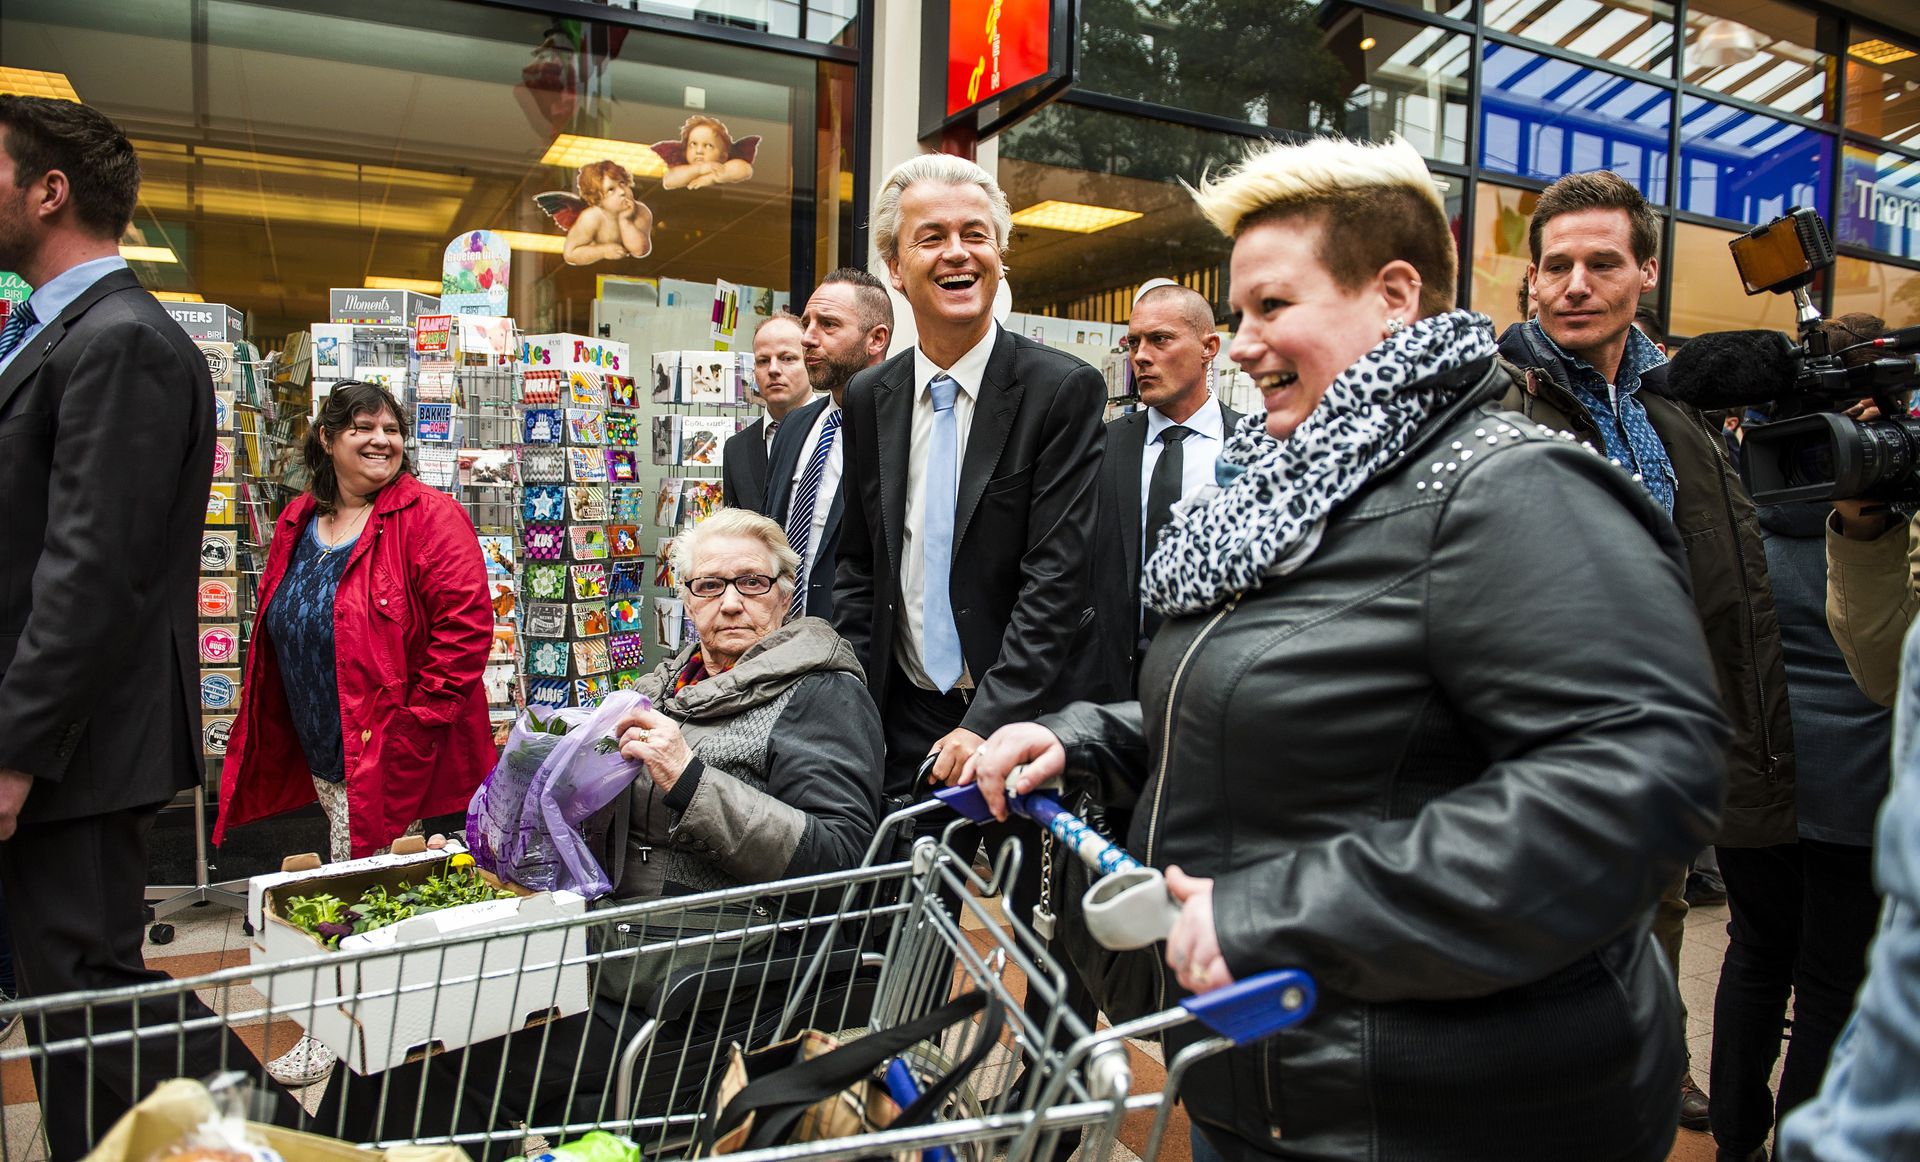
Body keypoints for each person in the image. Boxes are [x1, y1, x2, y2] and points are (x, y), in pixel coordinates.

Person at [964, 135, 1727, 1162]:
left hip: (1446, 1116)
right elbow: (1291, 701)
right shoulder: (1303, 484)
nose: (1240, 345)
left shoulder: (1512, 488)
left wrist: (1281, 912)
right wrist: (1090, 737)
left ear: (1396, 295)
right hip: (1274, 1081)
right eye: (1238, 315)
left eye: (1271, 308)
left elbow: (1634, 781)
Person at [306, 509, 881, 1155]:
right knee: (396, 1026)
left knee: (429, 1056)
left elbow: (842, 863)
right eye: (708, 585)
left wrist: (687, 776)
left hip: (706, 980)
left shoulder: (820, 692)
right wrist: (512, 823)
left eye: (750, 583)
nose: (730, 603)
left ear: (784, 592)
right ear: (684, 599)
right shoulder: (665, 688)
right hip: (605, 946)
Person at [0, 94, 299, 1154]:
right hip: (65, 733)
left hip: (75, 744)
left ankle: (293, 1135)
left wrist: (17, 752)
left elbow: (91, 568)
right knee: (75, 1000)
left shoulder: (123, 340)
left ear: (50, 190)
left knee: (91, 997)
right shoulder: (59, 332)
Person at [1497, 168, 1795, 1133]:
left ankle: (1653, 1067)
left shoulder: (1685, 410)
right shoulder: (1498, 402)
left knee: (1657, 916)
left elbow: (1733, 580)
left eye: (1602, 262)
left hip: (1665, 729)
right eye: (1558, 266)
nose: (1576, 283)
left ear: (1646, 275)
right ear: (1533, 281)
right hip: (1538, 742)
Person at [215, 381, 496, 1082]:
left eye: (392, 429)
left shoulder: (429, 517)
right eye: (362, 428)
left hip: (401, 751)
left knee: (365, 891)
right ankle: (391, 1027)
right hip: (326, 743)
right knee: (364, 877)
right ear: (326, 440)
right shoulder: (300, 521)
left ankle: (350, 1037)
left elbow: (465, 633)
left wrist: (411, 728)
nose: (381, 440)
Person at [832, 152, 1105, 802]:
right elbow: (859, 564)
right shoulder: (871, 396)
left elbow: (1057, 583)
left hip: (1024, 721)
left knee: (1026, 903)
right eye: (932, 238)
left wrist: (986, 721)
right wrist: (852, 700)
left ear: (1000, 256)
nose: (958, 253)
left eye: (975, 235)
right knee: (894, 900)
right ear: (895, 269)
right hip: (902, 720)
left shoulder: (1062, 391)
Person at [1710, 323, 1894, 1162]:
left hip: (1753, 782)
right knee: (1827, 985)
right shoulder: (1877, 530)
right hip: (1855, 797)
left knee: (1754, 957)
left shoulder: (1735, 517)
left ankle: (1734, 1134)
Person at [1088, 281, 1242, 698]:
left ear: (1209, 346)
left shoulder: (1254, 448)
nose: (1141, 356)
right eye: (1134, 341)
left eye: (1160, 340)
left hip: (1217, 680)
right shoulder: (1103, 446)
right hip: (1113, 680)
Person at [765, 268, 893, 621]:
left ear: (876, 339)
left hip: (852, 647)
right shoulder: (794, 426)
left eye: (828, 325)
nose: (807, 338)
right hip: (777, 644)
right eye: (806, 323)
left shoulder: (898, 432)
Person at [723, 311, 809, 512]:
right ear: (753, 370)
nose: (773, 369)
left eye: (787, 358)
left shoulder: (840, 432)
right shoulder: (736, 450)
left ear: (809, 362)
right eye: (763, 360)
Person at [560, 159, 653, 265]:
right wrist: (603, 251)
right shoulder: (591, 217)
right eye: (611, 190)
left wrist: (625, 220)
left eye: (622, 183)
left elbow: (640, 250)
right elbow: (570, 254)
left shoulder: (640, 211)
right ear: (598, 200)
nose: (622, 192)